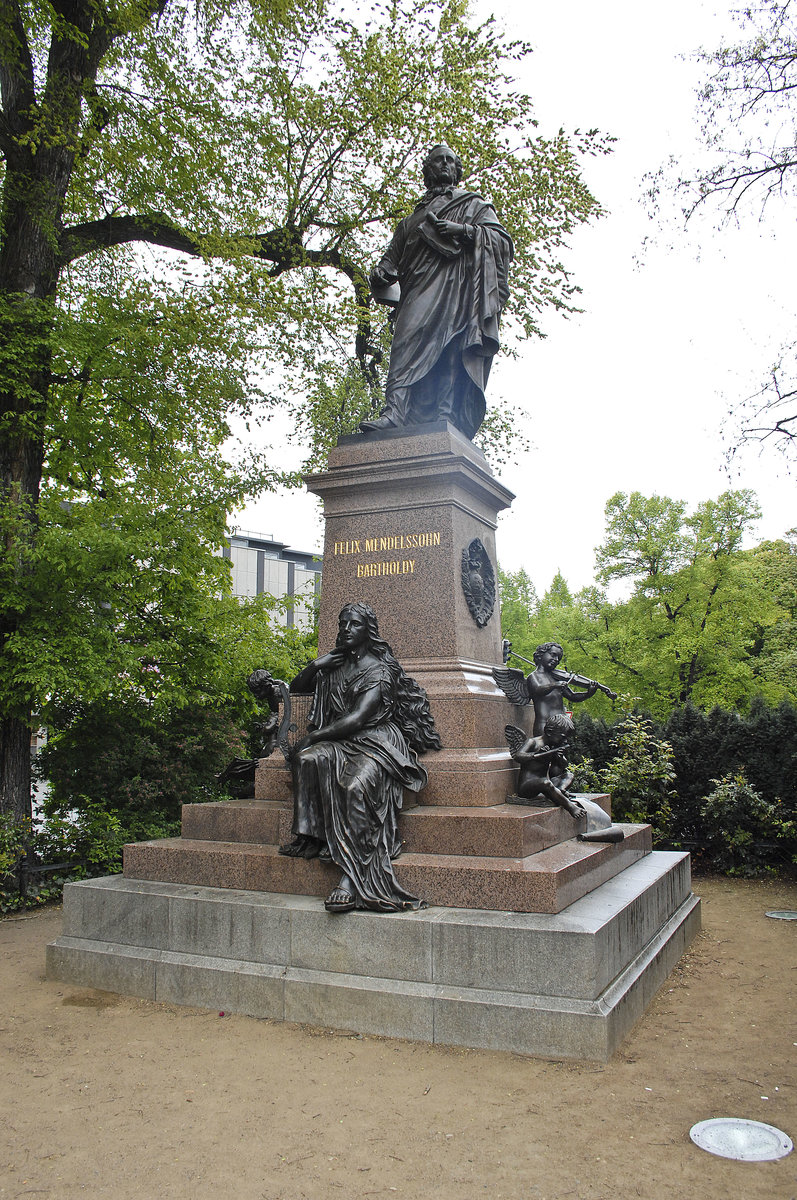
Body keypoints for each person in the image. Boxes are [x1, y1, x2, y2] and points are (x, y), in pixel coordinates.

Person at [279, 603, 441, 913]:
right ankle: (315, 838)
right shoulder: (335, 666)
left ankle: (351, 879)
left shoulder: (379, 669)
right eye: (342, 623)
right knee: (307, 760)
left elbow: (357, 719)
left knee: (354, 786)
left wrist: (312, 736)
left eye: (353, 624)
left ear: (368, 630)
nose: (346, 629)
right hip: (342, 738)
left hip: (376, 738)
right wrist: (317, 664)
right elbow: (299, 688)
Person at [360, 145, 513, 439]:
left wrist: (462, 231)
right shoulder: (409, 222)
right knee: (403, 347)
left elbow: (500, 241)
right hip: (417, 293)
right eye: (438, 160)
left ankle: (445, 415)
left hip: (456, 293)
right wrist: (380, 273)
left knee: (449, 351)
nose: (444, 165)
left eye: (450, 161)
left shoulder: (474, 206)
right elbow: (390, 262)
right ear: (427, 170)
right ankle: (394, 412)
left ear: (457, 170)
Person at [493, 642, 603, 737]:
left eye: (558, 658)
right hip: (544, 726)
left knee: (560, 758)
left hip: (561, 725)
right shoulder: (534, 676)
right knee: (545, 757)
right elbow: (537, 690)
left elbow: (572, 696)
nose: (556, 660)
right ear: (541, 655)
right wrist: (554, 685)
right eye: (553, 655)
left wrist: (589, 693)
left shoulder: (556, 677)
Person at [505, 714, 586, 821]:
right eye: (562, 737)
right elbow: (518, 755)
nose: (565, 741)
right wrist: (536, 754)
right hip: (528, 787)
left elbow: (561, 767)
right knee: (545, 783)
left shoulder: (554, 746)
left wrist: (560, 758)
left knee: (568, 775)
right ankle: (570, 807)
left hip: (546, 784)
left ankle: (560, 791)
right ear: (549, 732)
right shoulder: (533, 742)